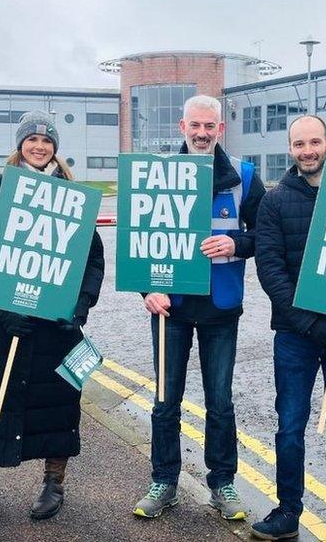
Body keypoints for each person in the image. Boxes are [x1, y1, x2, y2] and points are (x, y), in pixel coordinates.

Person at [0, 111, 105, 522]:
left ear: (55, 147)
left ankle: (54, 484)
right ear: (19, 145)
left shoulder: (70, 194)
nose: (39, 146)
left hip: (55, 326)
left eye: (47, 140)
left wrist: (79, 305)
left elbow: (92, 258)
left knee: (57, 403)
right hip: (3, 323)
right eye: (31, 139)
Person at [133, 95, 265, 521]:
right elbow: (140, 239)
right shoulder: (157, 175)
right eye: (196, 125)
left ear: (220, 129)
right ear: (182, 126)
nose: (203, 132)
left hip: (221, 306)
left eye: (211, 126)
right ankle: (164, 481)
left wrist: (236, 243)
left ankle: (222, 483)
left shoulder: (245, 176)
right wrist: (145, 291)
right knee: (165, 401)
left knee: (220, 402)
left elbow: (266, 235)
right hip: (170, 304)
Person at [252, 115, 326, 542]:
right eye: (299, 143)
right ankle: (287, 512)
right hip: (296, 335)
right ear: (291, 149)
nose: (307, 150)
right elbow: (270, 268)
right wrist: (307, 322)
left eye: (314, 142)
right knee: (290, 424)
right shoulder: (275, 200)